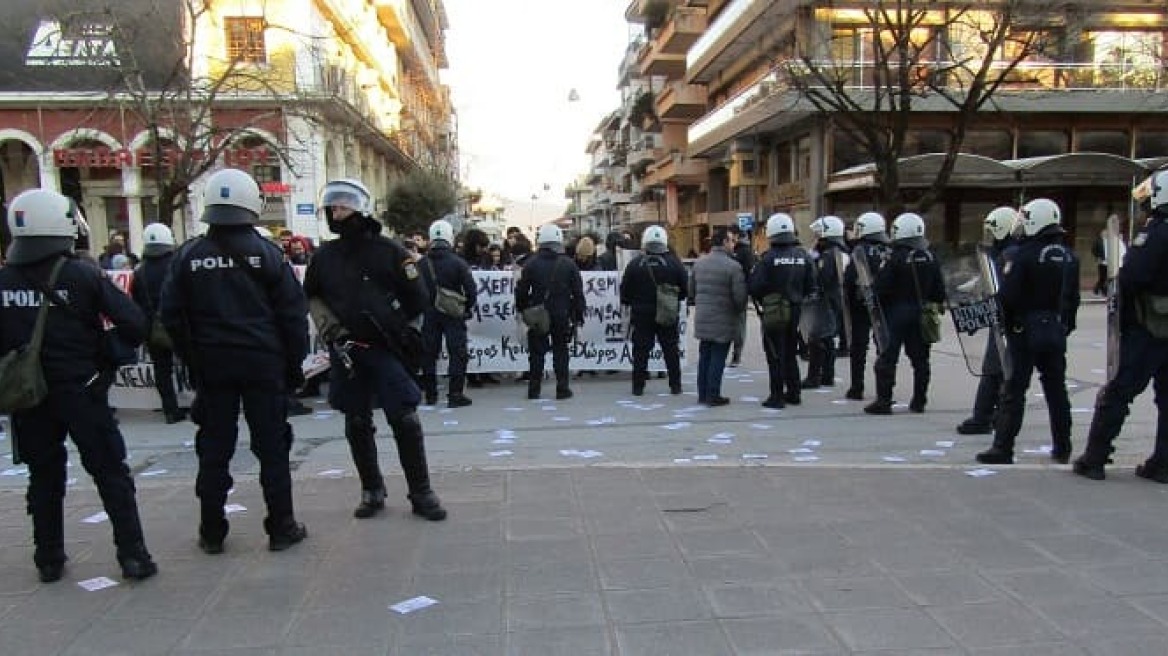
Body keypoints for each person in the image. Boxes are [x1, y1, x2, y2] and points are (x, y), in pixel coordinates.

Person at [0, 188, 157, 582]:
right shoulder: (82, 274)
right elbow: (134, 323)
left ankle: (48, 557)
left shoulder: (4, 280)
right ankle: (133, 555)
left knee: (44, 476)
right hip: (81, 389)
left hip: (29, 394)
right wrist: (104, 358)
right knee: (109, 472)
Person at [160, 168, 309, 554]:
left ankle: (212, 531)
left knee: (214, 449)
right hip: (263, 364)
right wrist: (294, 368)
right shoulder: (268, 255)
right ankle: (281, 526)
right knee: (272, 447)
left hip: (213, 367)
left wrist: (192, 361)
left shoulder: (188, 256)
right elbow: (293, 316)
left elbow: (171, 317)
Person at [303, 178, 447, 521]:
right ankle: (372, 489)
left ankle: (421, 491)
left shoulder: (391, 251)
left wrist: (397, 325)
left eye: (343, 206)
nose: (336, 213)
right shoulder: (325, 256)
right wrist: (330, 328)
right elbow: (312, 295)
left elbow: (419, 297)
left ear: (360, 209)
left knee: (405, 417)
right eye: (332, 207)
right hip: (347, 351)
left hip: (386, 348)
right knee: (356, 421)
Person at [1075, 170, 1168, 481]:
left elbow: (1132, 277)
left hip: (1149, 326)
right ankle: (1163, 463)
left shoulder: (1157, 234)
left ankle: (1095, 458)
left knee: (1118, 391)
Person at [976, 199, 1079, 465]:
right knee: (1057, 390)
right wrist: (1063, 326)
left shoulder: (1023, 254)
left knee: (1014, 390)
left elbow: (1009, 296)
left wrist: (1006, 322)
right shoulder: (1069, 255)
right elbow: (1073, 299)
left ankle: (1003, 447)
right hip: (1054, 331)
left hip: (1024, 331)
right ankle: (1063, 446)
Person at [864, 213, 946, 415]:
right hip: (921, 313)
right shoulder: (930, 256)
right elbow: (939, 290)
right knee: (920, 360)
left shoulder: (894, 257)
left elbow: (881, 288)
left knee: (887, 358)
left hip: (896, 313)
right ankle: (919, 400)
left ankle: (884, 401)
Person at [955, 207, 1019, 435]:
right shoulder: (1007, 252)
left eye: (992, 231)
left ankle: (984, 417)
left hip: (1005, 321)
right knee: (1003, 371)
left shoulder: (1009, 254)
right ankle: (997, 415)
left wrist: (978, 309)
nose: (988, 237)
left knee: (994, 370)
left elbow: (999, 291)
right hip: (1011, 320)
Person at [748, 213, 817, 408]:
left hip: (774, 310)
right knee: (790, 352)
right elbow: (812, 285)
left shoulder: (768, 258)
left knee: (774, 353)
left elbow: (755, 286)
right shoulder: (803, 256)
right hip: (796, 311)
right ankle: (794, 392)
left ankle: (776, 396)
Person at [515, 224, 585, 400]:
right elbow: (577, 292)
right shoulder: (569, 264)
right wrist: (578, 314)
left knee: (537, 353)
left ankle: (534, 389)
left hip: (539, 314)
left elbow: (522, 290)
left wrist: (523, 309)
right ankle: (562, 388)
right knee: (561, 350)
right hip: (562, 313)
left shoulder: (531, 263)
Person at [619, 226, 687, 396]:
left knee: (641, 350)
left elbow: (625, 292)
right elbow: (685, 290)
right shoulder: (674, 263)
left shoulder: (635, 264)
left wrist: (633, 302)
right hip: (667, 313)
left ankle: (638, 386)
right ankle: (675, 385)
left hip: (642, 313)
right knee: (670, 349)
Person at [130, 222, 187, 424]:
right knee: (192, 363)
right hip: (180, 324)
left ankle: (170, 409)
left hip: (153, 327)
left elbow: (134, 302)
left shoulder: (139, 271)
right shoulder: (178, 265)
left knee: (162, 369)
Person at [419, 219, 477, 408]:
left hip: (429, 313)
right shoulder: (458, 263)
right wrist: (466, 308)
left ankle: (430, 394)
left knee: (429, 354)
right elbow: (471, 289)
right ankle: (455, 394)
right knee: (457, 353)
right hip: (453, 313)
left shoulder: (421, 264)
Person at [690, 228, 747, 406]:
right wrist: (739, 311)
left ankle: (702, 393)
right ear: (723, 242)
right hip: (724, 319)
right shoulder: (733, 266)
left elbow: (691, 290)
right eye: (730, 241)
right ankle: (713, 394)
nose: (733, 244)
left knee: (705, 356)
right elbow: (739, 298)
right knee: (718, 357)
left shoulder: (699, 264)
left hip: (703, 318)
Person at [843, 212, 890, 400]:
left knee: (859, 347)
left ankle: (857, 387)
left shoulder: (859, 250)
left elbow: (849, 278)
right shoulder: (888, 250)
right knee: (884, 347)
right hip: (885, 304)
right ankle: (884, 389)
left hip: (861, 303)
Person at [803, 216, 848, 389]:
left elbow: (821, 279)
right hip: (833, 300)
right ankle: (827, 375)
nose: (816, 238)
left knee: (817, 339)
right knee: (827, 339)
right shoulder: (838, 252)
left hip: (825, 301)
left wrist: (812, 259)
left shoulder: (828, 255)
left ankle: (814, 377)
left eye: (819, 235)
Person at [726, 225, 756, 367]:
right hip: (729, 292)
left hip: (739, 292)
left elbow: (750, 273)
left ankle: (736, 355)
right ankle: (732, 354)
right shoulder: (730, 251)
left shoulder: (744, 252)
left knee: (738, 325)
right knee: (733, 324)